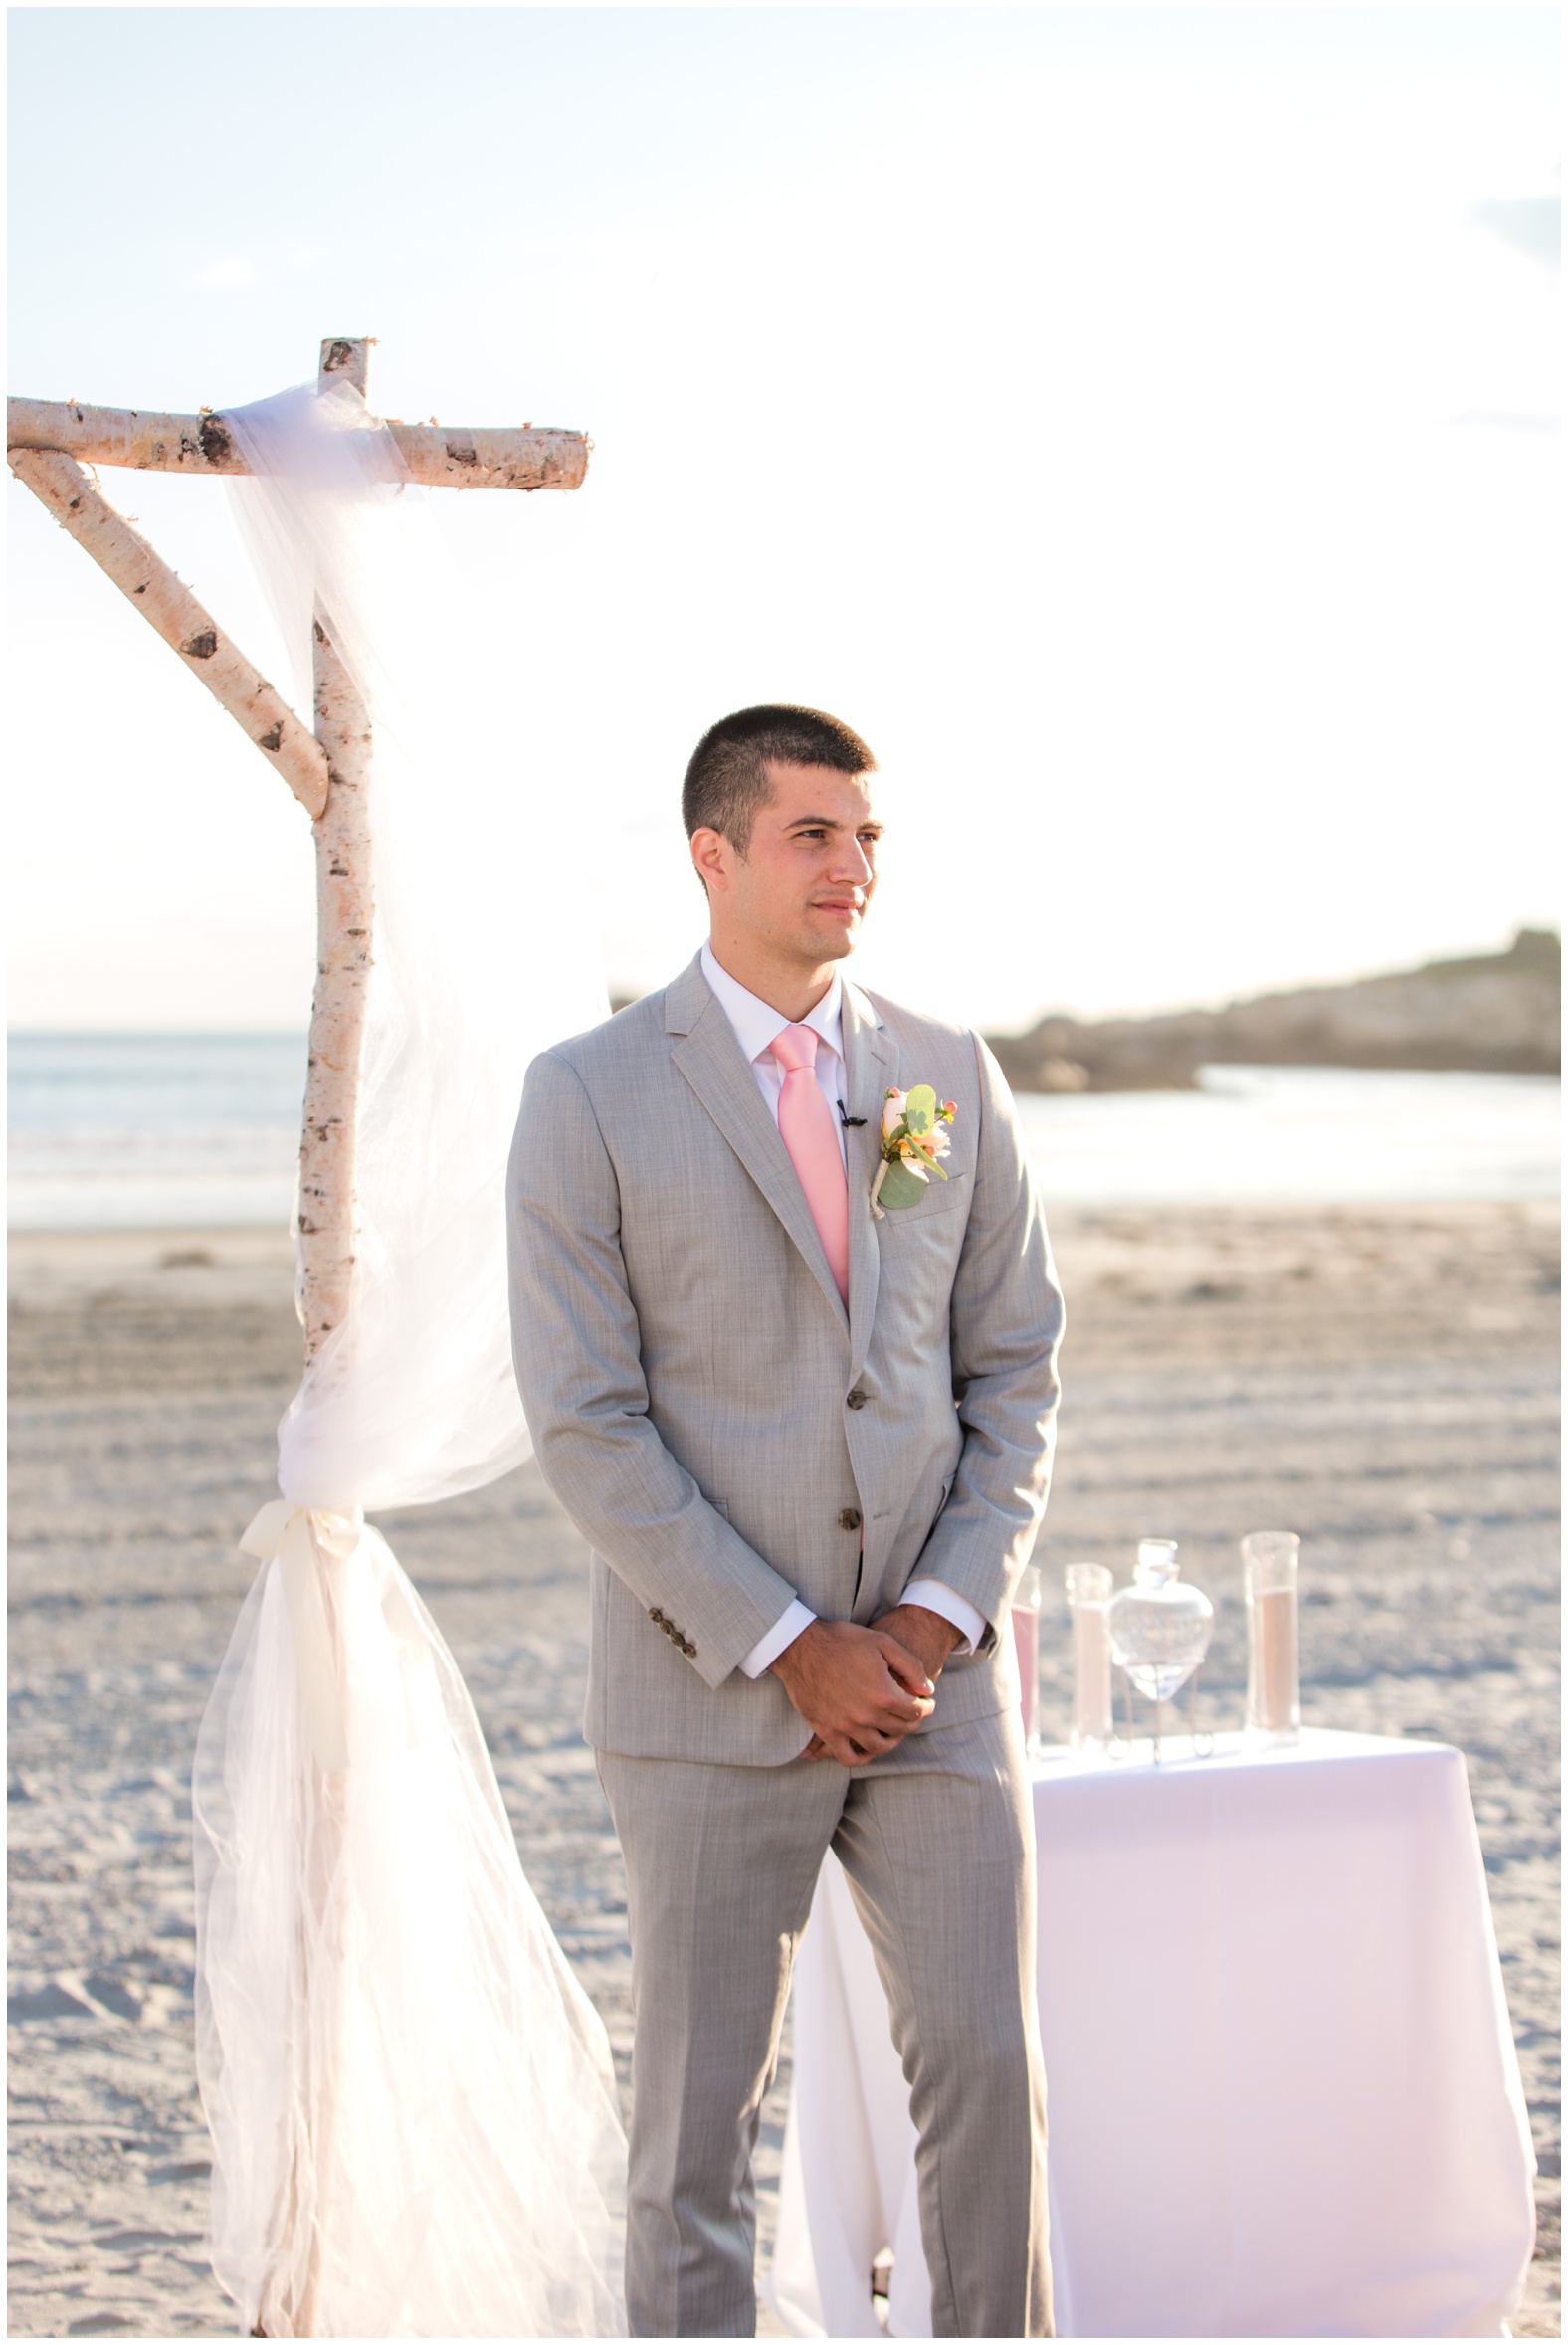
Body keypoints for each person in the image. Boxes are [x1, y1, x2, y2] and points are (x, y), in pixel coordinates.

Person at [506, 704, 1065, 2338]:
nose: (854, 866)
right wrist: (787, 1642)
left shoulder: (947, 1075)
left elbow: (1016, 1369)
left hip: (934, 1688)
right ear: (715, 854)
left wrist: (930, 1620)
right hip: (706, 1694)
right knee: (693, 2132)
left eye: (869, 835)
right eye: (816, 833)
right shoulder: (588, 1093)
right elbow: (586, 1421)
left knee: (987, 2075)